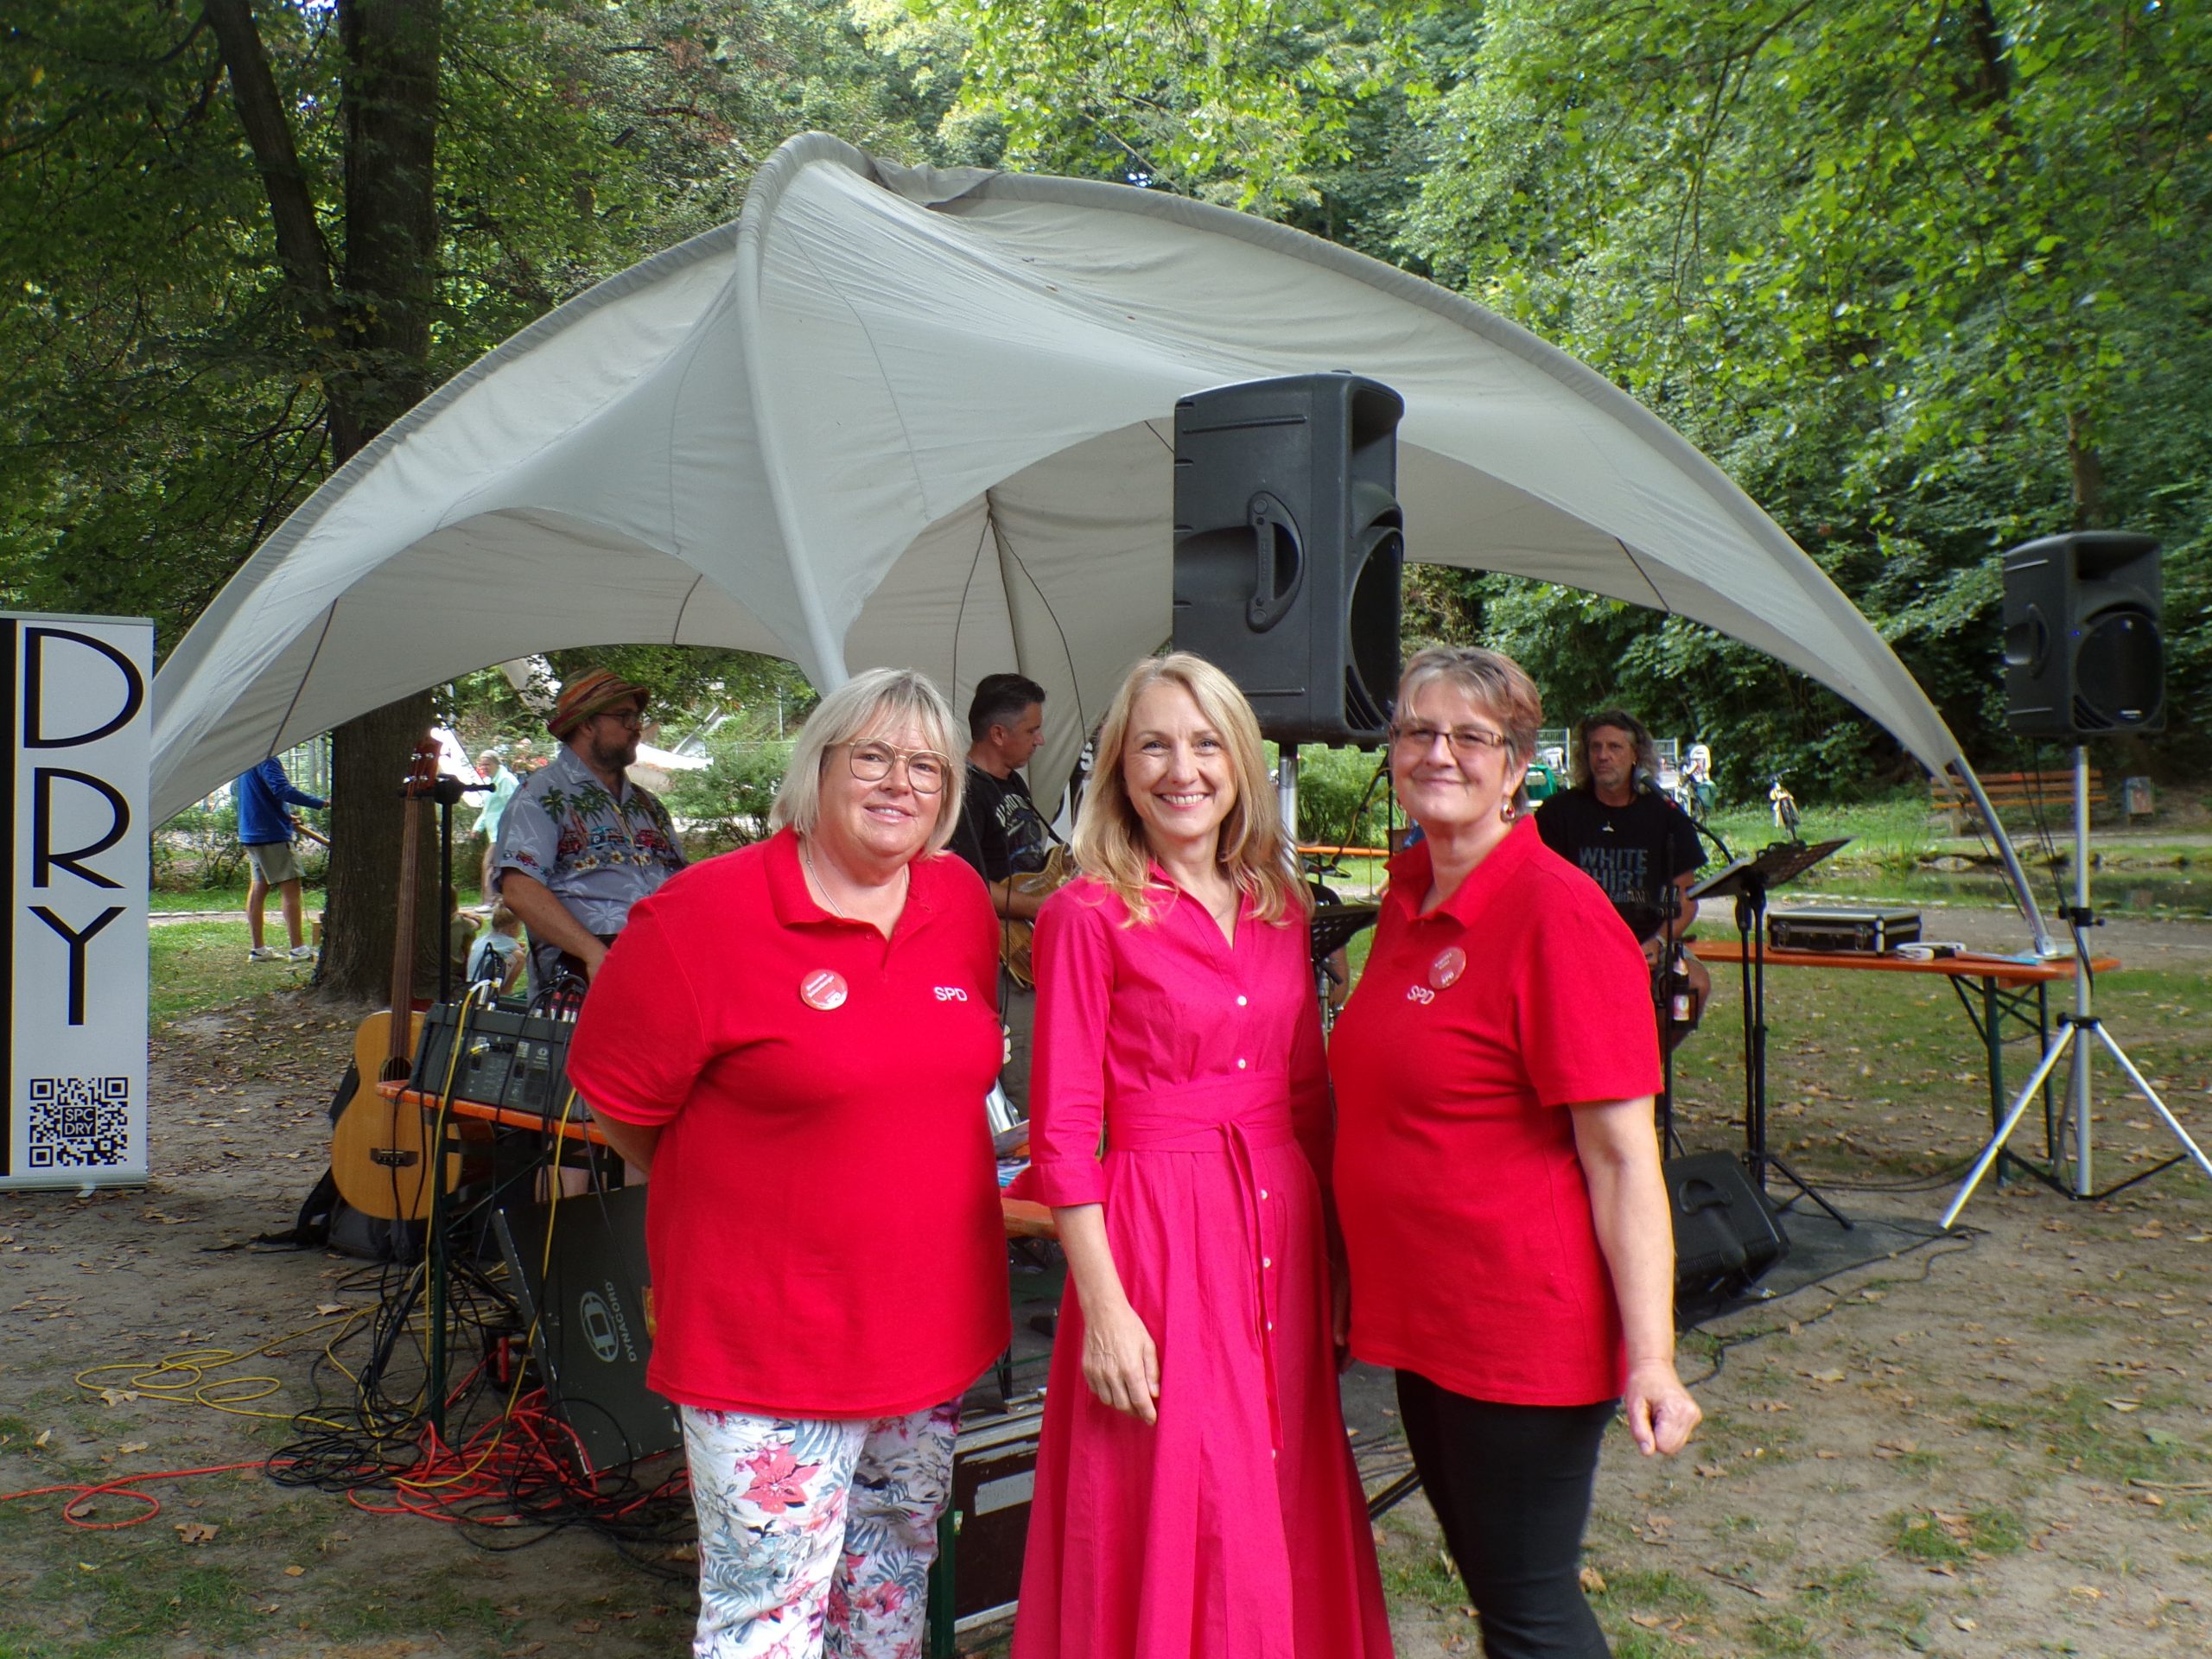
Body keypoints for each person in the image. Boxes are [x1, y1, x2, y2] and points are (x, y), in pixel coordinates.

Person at [565, 668, 1007, 1659]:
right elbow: (623, 1106)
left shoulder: (959, 901)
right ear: (818, 768)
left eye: (927, 766)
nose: (901, 783)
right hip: (767, 1343)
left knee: (889, 1593)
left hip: (927, 1328)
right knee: (767, 1621)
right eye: (874, 757)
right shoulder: (700, 918)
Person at [1009, 652, 1391, 1659]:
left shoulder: (1276, 904)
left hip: (1283, 1220)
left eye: (1205, 742)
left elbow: (1309, 1097)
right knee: (1182, 1484)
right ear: (1119, 772)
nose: (1183, 769)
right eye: (1154, 746)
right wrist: (1103, 1309)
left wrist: (1344, 1263)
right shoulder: (1084, 916)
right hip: (1159, 1234)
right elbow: (1059, 1134)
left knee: (1279, 1472)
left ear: (1240, 761)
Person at [1330, 647, 1701, 1659]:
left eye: (1469, 737)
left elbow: (1624, 1160)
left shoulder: (1555, 913)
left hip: (1515, 1334)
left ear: (1515, 766)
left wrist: (1653, 1357)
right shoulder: (1408, 901)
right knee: (1499, 1599)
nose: (1437, 753)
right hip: (1424, 1322)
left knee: (1529, 1615)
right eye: (1416, 731)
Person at [489, 668, 686, 991]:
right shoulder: (540, 795)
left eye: (637, 717)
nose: (636, 728)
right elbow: (520, 890)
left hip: (664, 963)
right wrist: (594, 954)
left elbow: (681, 885)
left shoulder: (648, 805)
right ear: (585, 723)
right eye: (624, 716)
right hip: (584, 972)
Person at [1535, 709, 1711, 1044]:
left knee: (1694, 984)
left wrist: (1658, 942)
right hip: (1576, 948)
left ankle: (1649, 1071)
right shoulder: (1559, 813)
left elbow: (1686, 900)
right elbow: (1538, 891)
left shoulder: (1666, 816)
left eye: (1614, 747)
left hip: (1648, 943)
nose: (1603, 756)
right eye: (1596, 747)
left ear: (1636, 755)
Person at [949, 671, 1057, 1114]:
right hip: (1003, 960)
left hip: (1031, 944)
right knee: (1027, 1070)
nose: (1041, 740)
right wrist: (1052, 907)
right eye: (1032, 730)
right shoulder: (964, 794)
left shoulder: (1011, 781)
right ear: (998, 733)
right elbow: (970, 888)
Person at [234, 755, 326, 963]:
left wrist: (282, 814)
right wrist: (321, 803)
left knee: (259, 887)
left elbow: (258, 795)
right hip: (271, 835)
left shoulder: (248, 756)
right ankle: (299, 950)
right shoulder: (267, 757)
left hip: (252, 832)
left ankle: (259, 950)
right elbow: (282, 789)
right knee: (290, 887)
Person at [472, 748, 522, 895]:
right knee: (495, 866)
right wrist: (477, 828)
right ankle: (498, 899)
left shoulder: (505, 780)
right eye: (482, 765)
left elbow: (513, 806)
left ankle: (490, 900)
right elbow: (487, 810)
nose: (484, 768)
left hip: (503, 832)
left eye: (487, 764)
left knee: (489, 864)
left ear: (496, 763)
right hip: (494, 832)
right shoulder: (491, 782)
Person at [465, 903, 526, 994]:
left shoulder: (481, 940)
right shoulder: (511, 944)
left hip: (471, 982)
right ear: (513, 928)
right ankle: (506, 991)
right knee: (519, 957)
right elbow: (517, 953)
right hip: (485, 984)